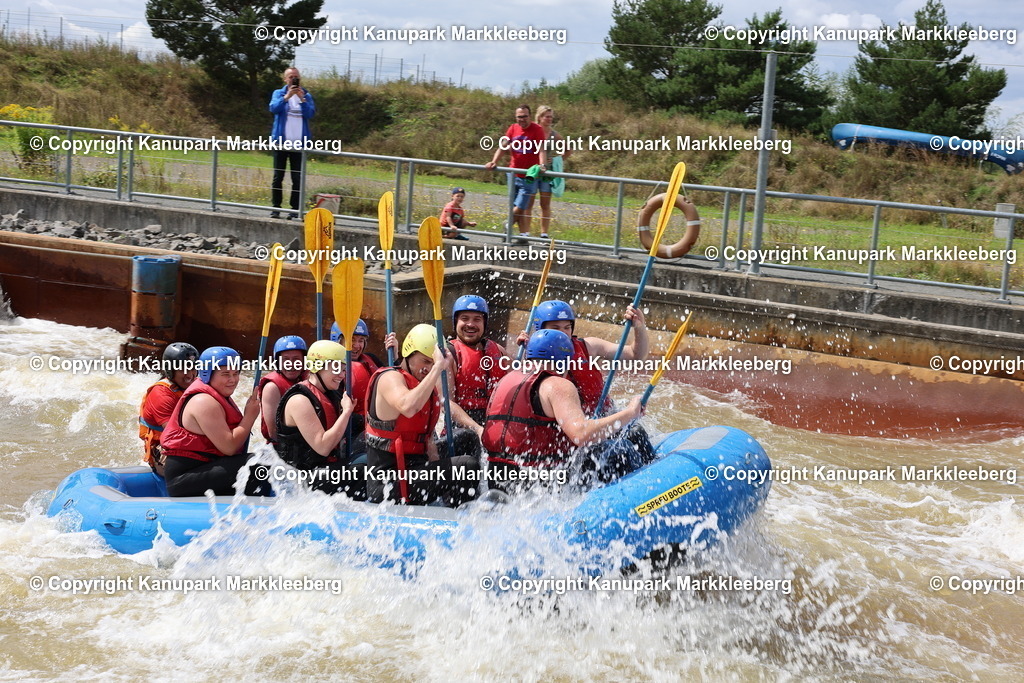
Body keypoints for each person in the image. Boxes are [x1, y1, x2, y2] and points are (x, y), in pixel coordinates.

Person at [483, 329, 644, 494]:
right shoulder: (557, 385)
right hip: (539, 484)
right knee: (619, 450)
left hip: (498, 479)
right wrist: (631, 412)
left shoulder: (505, 380)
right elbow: (581, 435)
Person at [364, 324, 481, 506]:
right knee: (466, 467)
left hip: (415, 467)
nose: (429, 368)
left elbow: (428, 440)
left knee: (467, 438)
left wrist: (439, 471)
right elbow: (407, 406)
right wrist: (437, 368)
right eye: (425, 361)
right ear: (408, 353)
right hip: (389, 482)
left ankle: (456, 503)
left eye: (433, 363)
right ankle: (460, 517)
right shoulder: (390, 378)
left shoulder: (423, 386)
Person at [162, 346, 266, 497]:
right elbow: (229, 447)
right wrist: (249, 416)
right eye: (226, 374)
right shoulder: (203, 401)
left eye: (236, 373)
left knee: (265, 460)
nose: (232, 380)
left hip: (207, 467)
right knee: (258, 465)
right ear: (207, 373)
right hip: (185, 477)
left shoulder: (217, 394)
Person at [519, 299, 649, 417]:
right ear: (540, 330)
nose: (563, 333)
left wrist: (640, 327)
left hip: (604, 418)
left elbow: (635, 355)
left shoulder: (589, 346)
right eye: (555, 328)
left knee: (637, 431)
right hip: (573, 425)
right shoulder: (535, 357)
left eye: (567, 327)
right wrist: (528, 352)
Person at [275, 340, 365, 498]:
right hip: (300, 479)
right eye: (336, 368)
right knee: (365, 469)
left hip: (323, 468)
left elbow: (358, 424)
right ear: (316, 366)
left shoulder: (331, 393)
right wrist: (346, 412)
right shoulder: (299, 400)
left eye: (344, 369)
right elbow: (323, 447)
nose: (342, 375)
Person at [484, 104, 547, 243]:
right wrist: (494, 161)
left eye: (525, 116)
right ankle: (523, 236)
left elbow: (541, 149)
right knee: (515, 206)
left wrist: (542, 165)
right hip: (513, 173)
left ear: (530, 116)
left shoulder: (537, 129)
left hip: (529, 175)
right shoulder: (513, 128)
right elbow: (503, 146)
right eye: (519, 117)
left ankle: (507, 225)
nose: (522, 119)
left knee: (522, 205)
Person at [446, 295, 508, 435]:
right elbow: (447, 403)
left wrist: (529, 349)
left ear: (484, 323)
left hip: (495, 423)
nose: (470, 324)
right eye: (465, 318)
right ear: (455, 322)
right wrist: (477, 429)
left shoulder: (498, 350)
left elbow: (522, 382)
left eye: (477, 319)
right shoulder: (448, 355)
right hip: (461, 429)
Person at [138, 342, 198, 477]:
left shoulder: (195, 384)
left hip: (185, 444)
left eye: (193, 367)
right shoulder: (161, 394)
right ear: (170, 370)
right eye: (183, 369)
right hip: (164, 454)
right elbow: (175, 436)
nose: (190, 374)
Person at [268, 66, 315, 219]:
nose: (293, 79)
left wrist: (302, 99)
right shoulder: (279, 93)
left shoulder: (306, 95)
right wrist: (287, 97)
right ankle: (276, 208)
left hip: (299, 146)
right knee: (278, 177)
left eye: (296, 77)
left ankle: (294, 210)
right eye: (290, 77)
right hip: (281, 143)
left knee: (297, 178)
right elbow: (273, 108)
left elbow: (310, 113)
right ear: (285, 79)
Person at [530, 105, 571, 239]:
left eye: (551, 117)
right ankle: (525, 232)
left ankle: (544, 234)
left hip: (546, 174)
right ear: (540, 117)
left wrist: (556, 160)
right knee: (528, 203)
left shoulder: (554, 135)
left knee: (545, 204)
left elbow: (568, 150)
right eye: (547, 116)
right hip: (531, 171)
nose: (550, 119)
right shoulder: (532, 130)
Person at [258, 335, 307, 445]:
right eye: (285, 359)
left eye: (296, 359)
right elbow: (273, 432)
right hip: (281, 448)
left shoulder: (309, 379)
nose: (291, 364)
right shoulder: (271, 388)